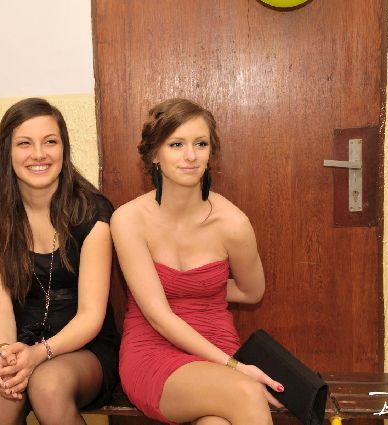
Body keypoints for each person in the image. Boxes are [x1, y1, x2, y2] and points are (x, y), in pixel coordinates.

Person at [112, 98, 284, 425]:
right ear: (154, 154)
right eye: (176, 144)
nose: (190, 156)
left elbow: (252, 292)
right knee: (247, 392)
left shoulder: (232, 223)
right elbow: (160, 318)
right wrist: (236, 367)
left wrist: (201, 290)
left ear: (210, 152)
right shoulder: (129, 219)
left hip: (216, 344)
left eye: (200, 144)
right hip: (153, 350)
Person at [0, 97, 120, 425]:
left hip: (83, 344)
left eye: (50, 142)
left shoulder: (93, 212)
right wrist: (6, 351)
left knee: (47, 386)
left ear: (63, 148)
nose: (38, 154)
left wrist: (39, 354)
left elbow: (91, 316)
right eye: (24, 143)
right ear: (7, 151)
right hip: (17, 337)